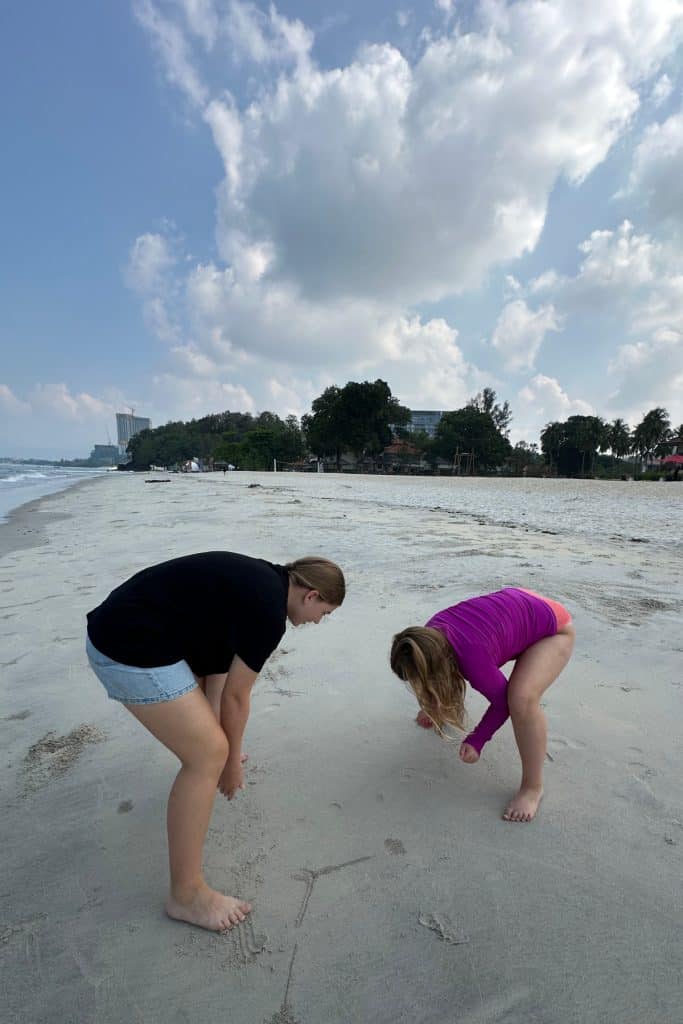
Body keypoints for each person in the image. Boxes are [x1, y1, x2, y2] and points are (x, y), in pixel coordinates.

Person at [86, 552, 345, 931]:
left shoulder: (259, 582)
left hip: (126, 628)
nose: (319, 621)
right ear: (312, 596)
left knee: (212, 746)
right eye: (325, 612)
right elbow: (237, 699)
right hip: (126, 648)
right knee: (208, 754)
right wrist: (228, 763)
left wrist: (227, 748)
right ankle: (186, 895)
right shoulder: (268, 614)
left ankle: (205, 770)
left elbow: (215, 673)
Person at [390, 587, 574, 823]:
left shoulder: (473, 660)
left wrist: (477, 740)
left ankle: (532, 787)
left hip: (554, 630)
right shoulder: (425, 637)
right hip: (525, 600)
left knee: (520, 699)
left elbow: (502, 704)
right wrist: (433, 706)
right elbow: (436, 673)